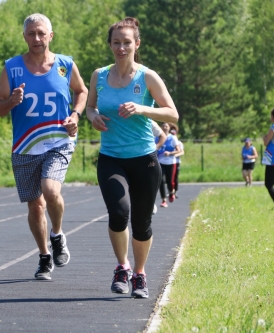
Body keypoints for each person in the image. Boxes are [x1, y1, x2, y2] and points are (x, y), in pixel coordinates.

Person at [0, 13, 88, 280]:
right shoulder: (12, 68)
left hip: (59, 140)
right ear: (24, 36)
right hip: (24, 146)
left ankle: (57, 234)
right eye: (31, 33)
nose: (36, 38)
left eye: (41, 33)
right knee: (35, 207)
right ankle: (45, 256)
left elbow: (82, 92)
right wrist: (11, 101)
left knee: (50, 189)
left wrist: (75, 116)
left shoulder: (65, 65)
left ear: (50, 36)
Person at [85, 17, 178, 298]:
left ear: (136, 44)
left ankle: (140, 274)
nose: (121, 47)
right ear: (110, 44)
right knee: (118, 212)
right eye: (116, 42)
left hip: (145, 160)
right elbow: (89, 107)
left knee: (141, 222)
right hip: (111, 157)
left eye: (127, 42)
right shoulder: (99, 75)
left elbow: (172, 113)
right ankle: (122, 267)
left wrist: (141, 108)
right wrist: (93, 118)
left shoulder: (147, 77)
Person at [157, 122, 180, 207]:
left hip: (171, 162)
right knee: (161, 180)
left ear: (169, 128)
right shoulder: (157, 137)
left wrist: (170, 153)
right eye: (163, 126)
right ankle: (163, 200)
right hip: (160, 162)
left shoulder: (173, 138)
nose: (165, 127)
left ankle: (171, 192)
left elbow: (178, 150)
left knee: (170, 181)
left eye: (166, 126)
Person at [152, 121, 166, 215]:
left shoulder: (148, 122)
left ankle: (151, 203)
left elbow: (163, 136)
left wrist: (155, 147)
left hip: (147, 160)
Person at [170, 126, 184, 198]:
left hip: (176, 161)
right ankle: (170, 191)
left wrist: (174, 155)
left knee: (175, 177)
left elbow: (182, 152)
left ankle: (175, 191)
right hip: (170, 162)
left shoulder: (179, 143)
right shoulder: (169, 141)